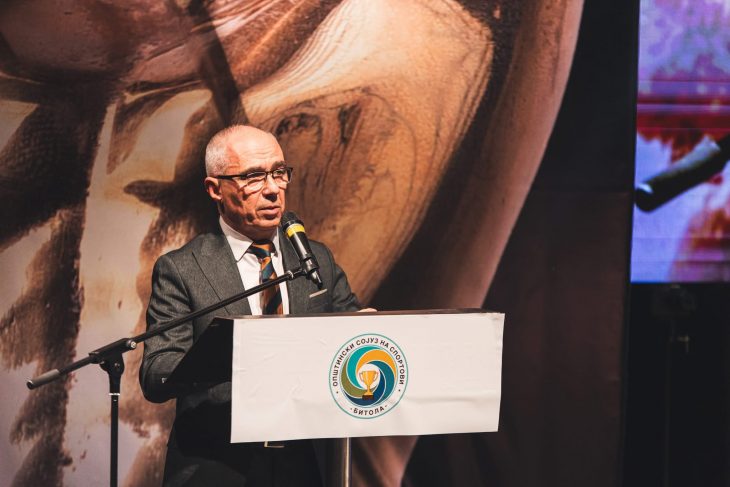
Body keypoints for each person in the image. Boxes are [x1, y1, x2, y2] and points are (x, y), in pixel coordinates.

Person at [139, 125, 363, 486]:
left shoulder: (314, 258)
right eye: (254, 177)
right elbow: (156, 373)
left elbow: (352, 334)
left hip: (302, 464)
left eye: (279, 172)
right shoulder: (182, 269)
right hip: (217, 466)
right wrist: (230, 353)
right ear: (215, 189)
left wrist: (366, 332)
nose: (273, 189)